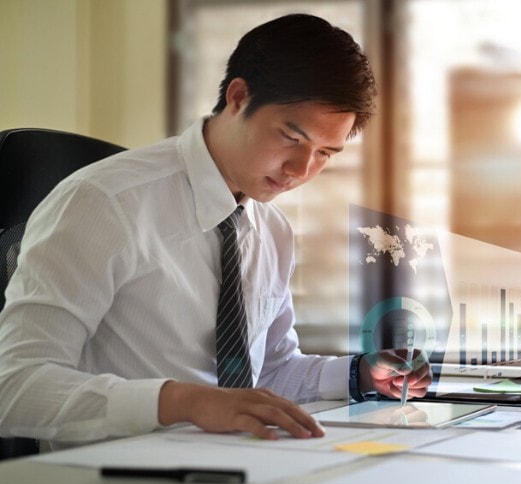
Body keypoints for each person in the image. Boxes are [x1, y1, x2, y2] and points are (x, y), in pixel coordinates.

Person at [0, 13, 431, 447]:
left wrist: (360, 374)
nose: (302, 170)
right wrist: (180, 402)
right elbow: (13, 387)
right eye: (291, 137)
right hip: (115, 476)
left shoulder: (272, 229)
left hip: (238, 465)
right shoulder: (104, 203)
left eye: (324, 153)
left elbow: (268, 374)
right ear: (239, 97)